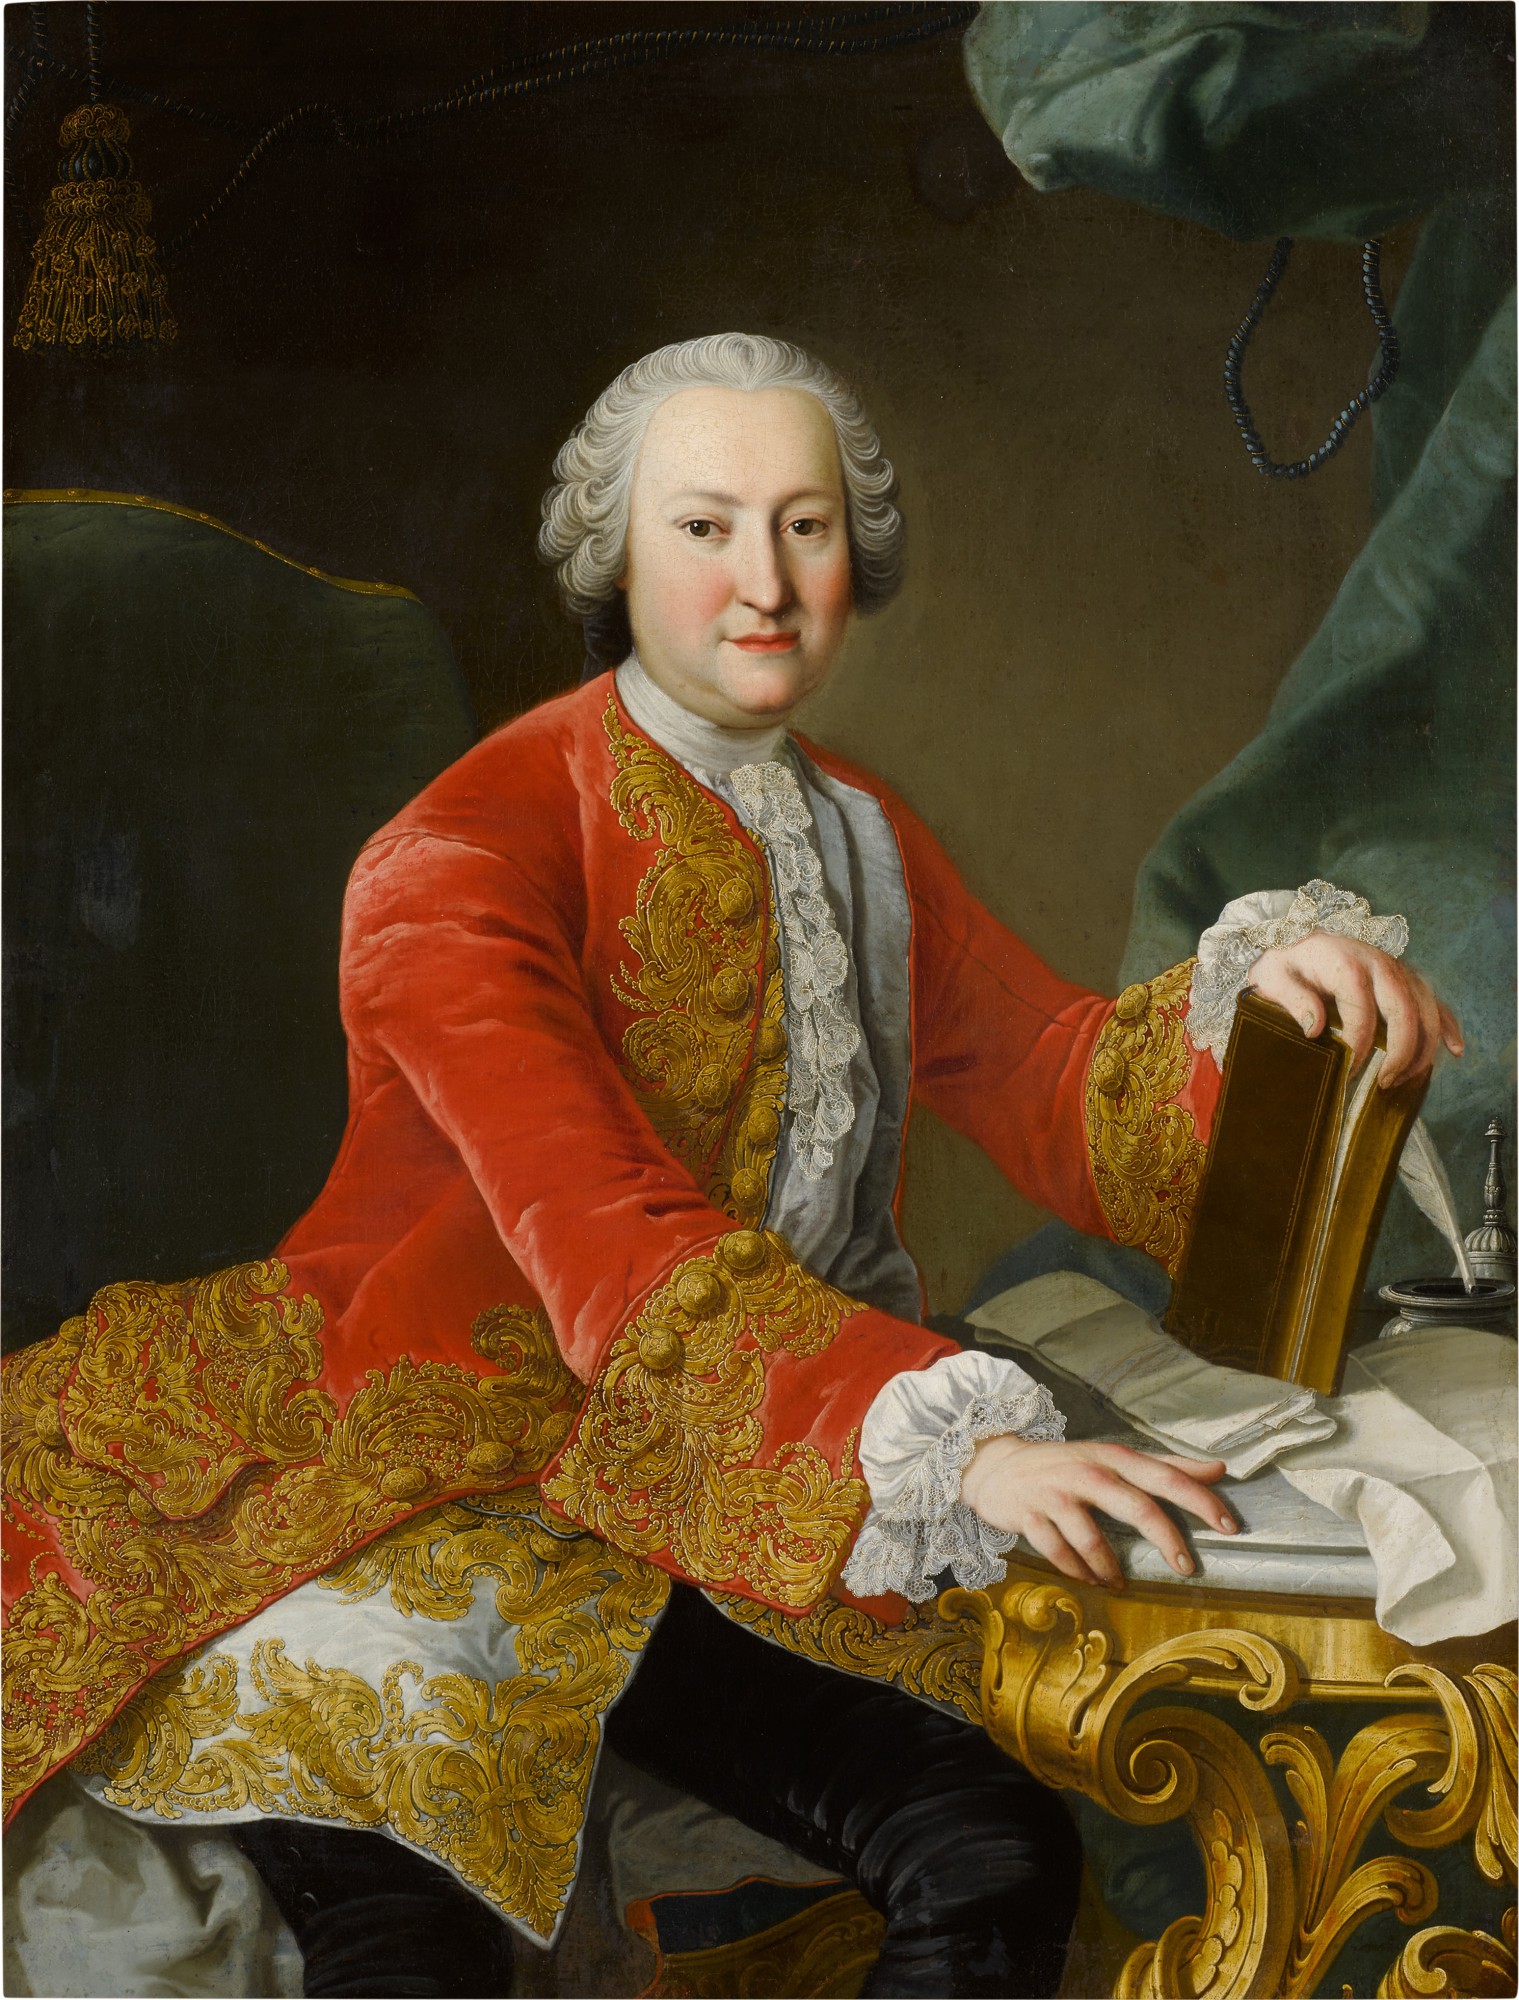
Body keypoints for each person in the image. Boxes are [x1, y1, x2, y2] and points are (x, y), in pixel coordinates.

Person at [2, 334, 1459, 1999]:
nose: (764, 582)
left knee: (991, 1853)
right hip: (411, 1474)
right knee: (415, 1947)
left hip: (690, 1475)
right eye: (706, 529)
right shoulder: (458, 858)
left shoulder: (858, 833)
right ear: (616, 560)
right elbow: (614, 1256)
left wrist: (1253, 1010)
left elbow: (1062, 1094)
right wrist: (953, 1455)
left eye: (808, 528)